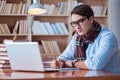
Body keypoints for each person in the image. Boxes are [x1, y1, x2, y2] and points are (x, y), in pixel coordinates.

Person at [51, 4, 120, 73]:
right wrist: (59, 62)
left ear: (91, 19)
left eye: (80, 21)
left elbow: (95, 65)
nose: (77, 27)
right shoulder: (77, 37)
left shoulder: (108, 37)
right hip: (86, 76)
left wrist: (73, 63)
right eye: (74, 23)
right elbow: (66, 56)